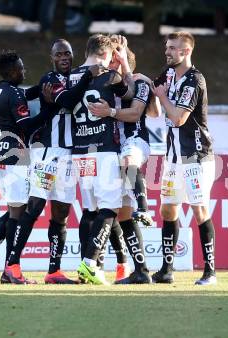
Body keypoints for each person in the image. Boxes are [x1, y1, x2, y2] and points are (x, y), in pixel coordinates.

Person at [3, 40, 106, 284]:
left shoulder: (76, 78)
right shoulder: (50, 79)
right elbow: (68, 101)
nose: (64, 57)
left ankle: (53, 271)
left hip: (70, 155)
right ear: (52, 58)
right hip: (49, 153)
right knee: (35, 207)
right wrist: (86, 78)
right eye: (59, 54)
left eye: (68, 53)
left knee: (61, 212)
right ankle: (12, 266)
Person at [88, 36, 160, 284]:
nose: (111, 67)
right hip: (113, 150)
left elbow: (141, 112)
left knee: (129, 160)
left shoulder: (138, 82)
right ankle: (141, 271)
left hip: (135, 141)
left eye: (116, 62)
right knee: (123, 216)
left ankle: (145, 208)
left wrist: (109, 111)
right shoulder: (107, 82)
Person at [63, 34, 131, 285]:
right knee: (110, 207)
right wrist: (123, 64)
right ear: (106, 54)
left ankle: (87, 266)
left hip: (80, 150)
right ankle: (91, 262)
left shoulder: (69, 76)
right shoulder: (109, 75)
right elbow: (130, 94)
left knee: (90, 210)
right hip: (103, 148)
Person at [151, 31, 217, 285]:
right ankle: (167, 270)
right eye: (167, 47)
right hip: (173, 157)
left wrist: (163, 97)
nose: (167, 52)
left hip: (195, 156)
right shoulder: (168, 75)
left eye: (173, 48)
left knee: (200, 210)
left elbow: (178, 118)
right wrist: (157, 97)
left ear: (186, 51)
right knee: (167, 209)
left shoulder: (194, 80)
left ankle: (210, 272)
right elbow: (157, 111)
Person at [0, 50, 42, 284]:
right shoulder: (14, 95)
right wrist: (48, 111)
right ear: (13, 72)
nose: (24, 71)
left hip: (0, 153)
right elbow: (26, 125)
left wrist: (39, 89)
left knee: (17, 208)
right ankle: (10, 270)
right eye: (21, 68)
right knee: (18, 212)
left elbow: (20, 96)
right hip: (16, 154)